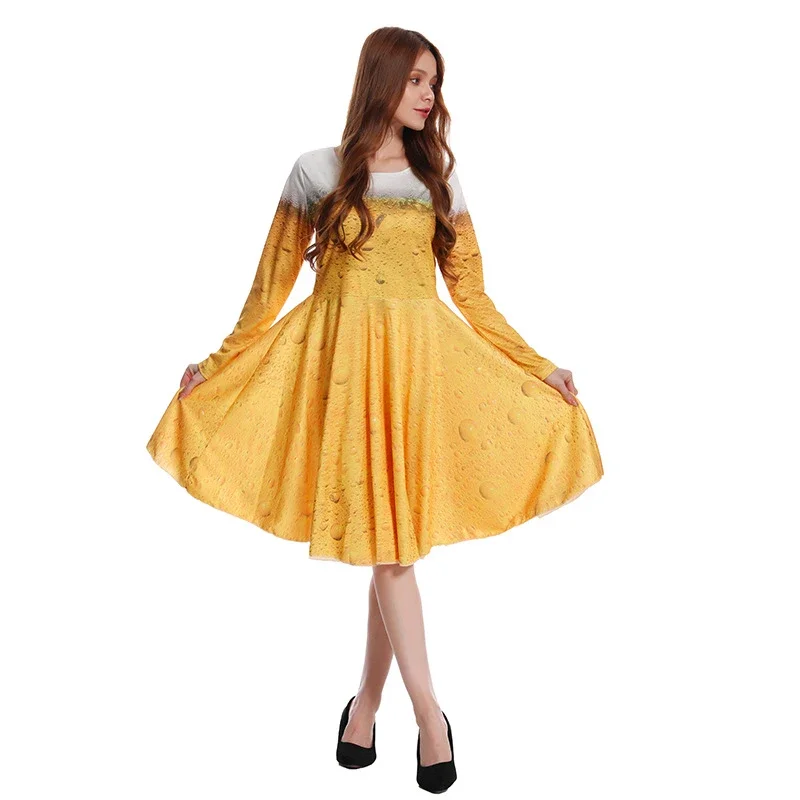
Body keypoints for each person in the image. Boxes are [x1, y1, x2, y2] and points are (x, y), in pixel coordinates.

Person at [146, 26, 603, 793]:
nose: (430, 93)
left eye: (435, 81)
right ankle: (430, 717)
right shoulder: (316, 170)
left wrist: (539, 367)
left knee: (392, 550)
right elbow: (270, 285)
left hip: (418, 374)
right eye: (418, 78)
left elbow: (473, 296)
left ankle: (368, 708)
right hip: (345, 375)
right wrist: (218, 363)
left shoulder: (438, 181)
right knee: (391, 550)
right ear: (382, 79)